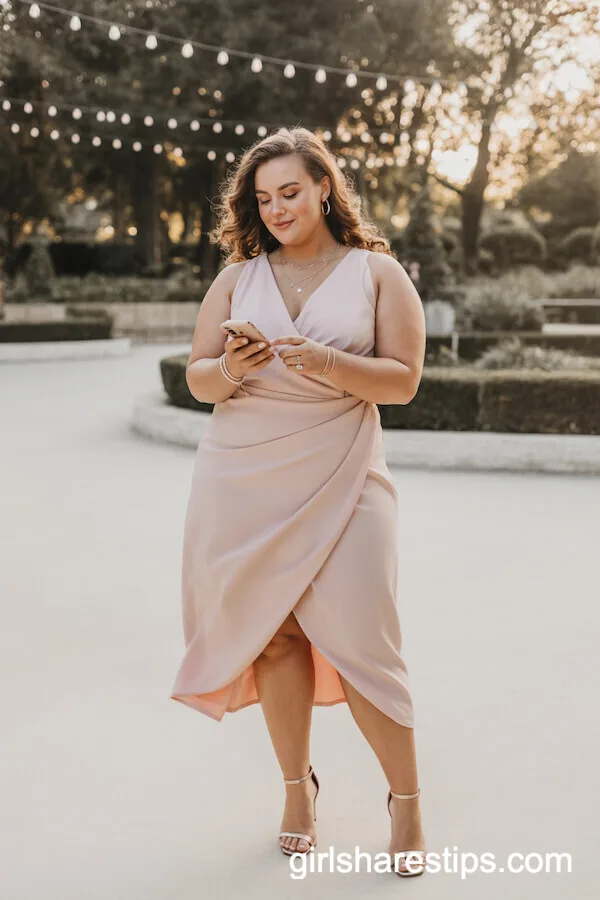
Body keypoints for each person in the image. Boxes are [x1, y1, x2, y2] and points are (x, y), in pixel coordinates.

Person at [170, 126, 427, 877]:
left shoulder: (378, 273)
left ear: (324, 188)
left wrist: (326, 362)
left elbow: (404, 381)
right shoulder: (236, 279)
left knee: (365, 641)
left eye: (291, 192)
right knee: (276, 636)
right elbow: (198, 379)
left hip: (346, 471)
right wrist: (232, 367)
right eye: (264, 198)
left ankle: (406, 800)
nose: (278, 208)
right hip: (242, 478)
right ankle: (297, 792)